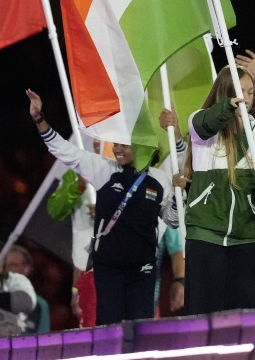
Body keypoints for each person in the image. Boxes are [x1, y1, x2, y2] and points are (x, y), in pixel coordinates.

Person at [27, 89, 179, 326]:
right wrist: (39, 118)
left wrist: (181, 197)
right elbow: (63, 151)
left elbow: (173, 220)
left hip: (143, 269)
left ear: (142, 145)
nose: (117, 149)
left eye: (123, 145)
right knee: (109, 327)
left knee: (141, 328)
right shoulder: (104, 170)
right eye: (116, 144)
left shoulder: (159, 180)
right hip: (109, 269)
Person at [172, 65, 255, 314]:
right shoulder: (201, 125)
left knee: (248, 315)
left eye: (251, 92)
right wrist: (228, 107)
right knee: (203, 316)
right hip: (206, 235)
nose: (247, 98)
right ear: (226, 94)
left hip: (247, 236)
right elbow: (205, 123)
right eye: (240, 91)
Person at [46, 166, 97, 327]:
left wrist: (109, 211)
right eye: (94, 139)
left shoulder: (124, 169)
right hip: (86, 271)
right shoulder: (75, 172)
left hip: (121, 270)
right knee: (91, 331)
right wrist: (79, 185)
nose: (97, 142)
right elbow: (55, 210)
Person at [4, 244, 50, 334]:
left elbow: (43, 341)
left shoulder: (39, 305)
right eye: (4, 266)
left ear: (26, 269)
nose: (6, 270)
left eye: (12, 265)